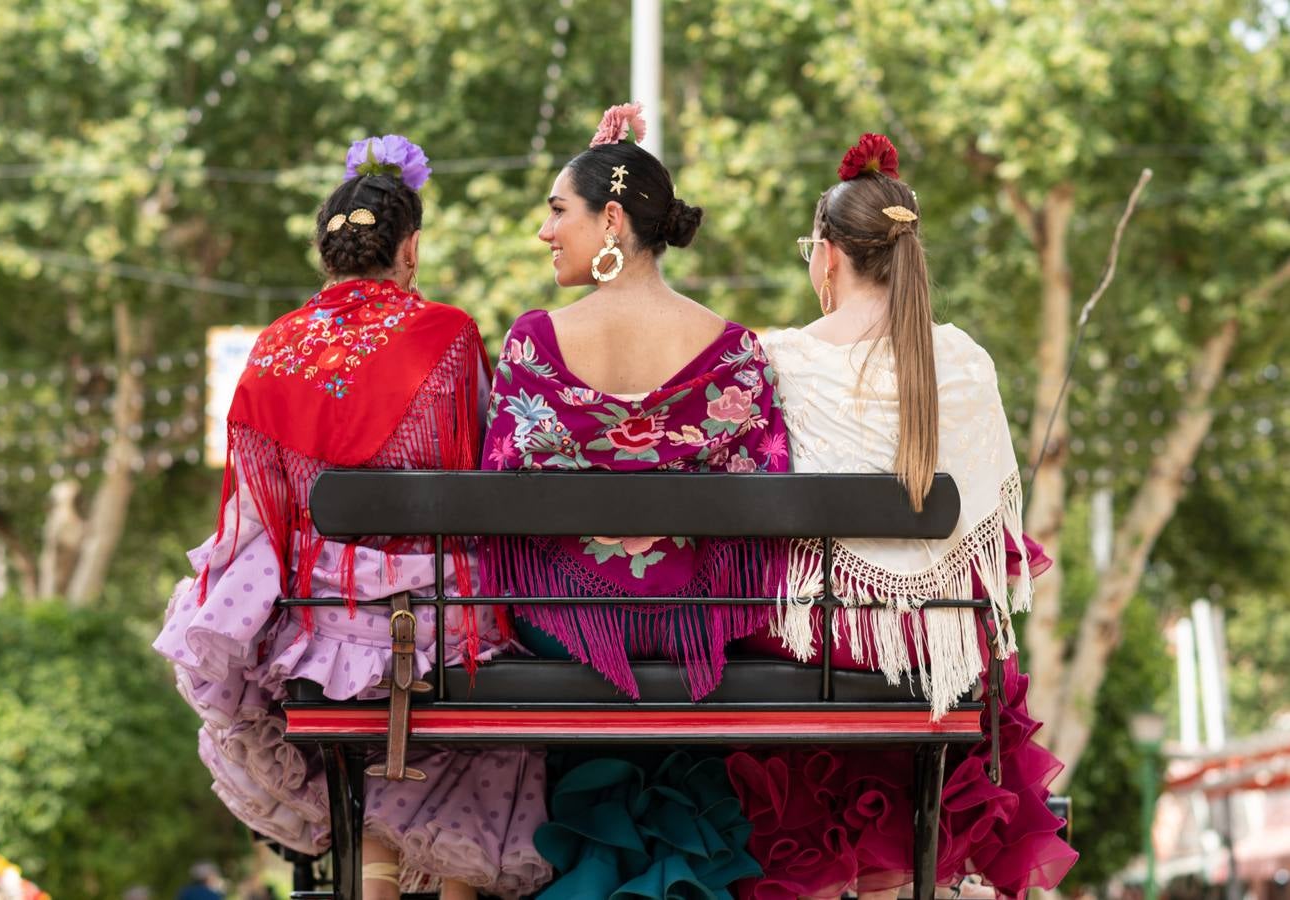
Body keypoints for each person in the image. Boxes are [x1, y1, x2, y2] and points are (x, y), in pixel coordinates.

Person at [153, 134, 549, 900]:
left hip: (317, 629)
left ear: (324, 256)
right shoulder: (448, 334)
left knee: (357, 730)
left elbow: (252, 514)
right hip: (440, 620)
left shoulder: (272, 348)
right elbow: (481, 465)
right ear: (410, 249)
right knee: (475, 696)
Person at [725, 133, 1078, 899]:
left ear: (826, 254)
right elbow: (989, 528)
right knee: (951, 669)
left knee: (753, 640)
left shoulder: (775, 356)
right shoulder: (964, 359)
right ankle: (889, 880)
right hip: (936, 640)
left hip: (817, 637)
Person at [478, 103, 784, 897]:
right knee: (690, 659)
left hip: (567, 633)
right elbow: (762, 490)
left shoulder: (532, 343)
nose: (544, 233)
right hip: (692, 632)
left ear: (610, 219)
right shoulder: (734, 349)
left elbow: (501, 484)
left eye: (556, 211)